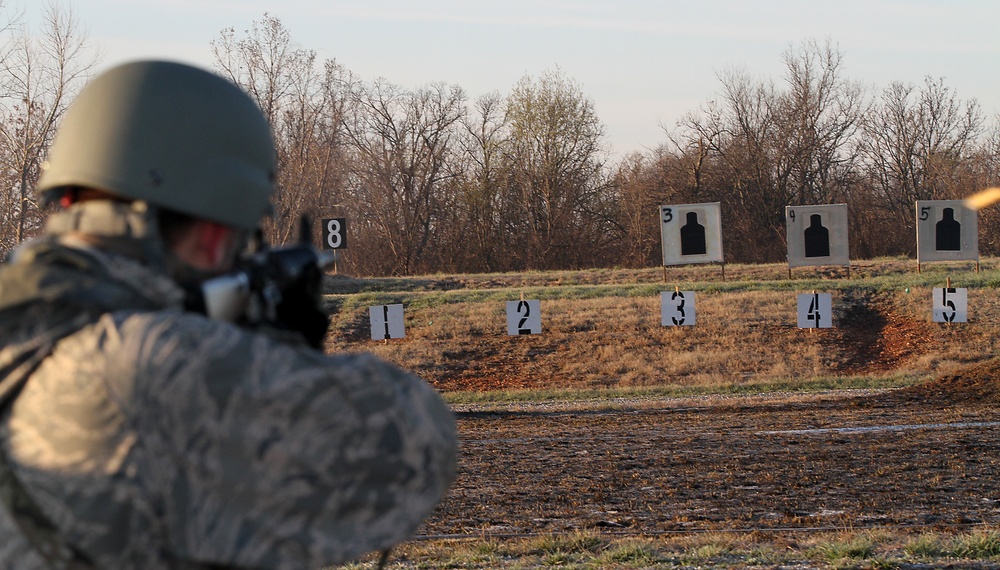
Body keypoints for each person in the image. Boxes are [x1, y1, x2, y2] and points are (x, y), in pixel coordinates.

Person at [0, 60, 457, 569]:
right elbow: (418, 438)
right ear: (216, 232)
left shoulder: (26, 327)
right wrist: (271, 342)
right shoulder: (144, 360)